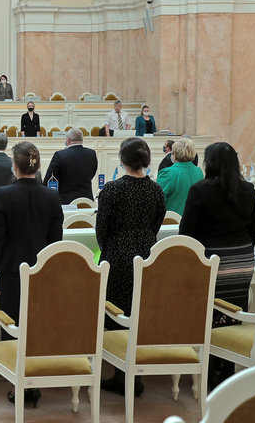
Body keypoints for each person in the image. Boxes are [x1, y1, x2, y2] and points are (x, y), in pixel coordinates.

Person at [0, 141, 62, 407]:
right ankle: (35, 382)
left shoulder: (4, 195)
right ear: (38, 166)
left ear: (14, 167)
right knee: (38, 326)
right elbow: (56, 241)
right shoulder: (52, 196)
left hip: (10, 270)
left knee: (12, 327)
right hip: (42, 271)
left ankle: (17, 383)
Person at [179, 142, 255, 389]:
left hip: (212, 262)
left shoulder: (200, 190)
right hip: (243, 260)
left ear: (208, 162)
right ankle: (228, 371)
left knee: (210, 316)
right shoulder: (247, 189)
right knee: (234, 312)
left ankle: (212, 370)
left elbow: (186, 232)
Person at [96, 137, 166, 396]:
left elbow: (101, 229)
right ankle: (134, 373)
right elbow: (157, 223)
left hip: (117, 255)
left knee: (116, 313)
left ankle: (121, 373)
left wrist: (111, 248)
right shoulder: (155, 189)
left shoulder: (112, 189)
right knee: (139, 310)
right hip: (147, 255)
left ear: (122, 159)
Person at [41, 128, 99, 204]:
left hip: (65, 202)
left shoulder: (60, 155)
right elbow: (92, 173)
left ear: (68, 140)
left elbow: (49, 179)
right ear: (81, 140)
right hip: (86, 201)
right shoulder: (92, 154)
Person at [155, 137, 203, 215]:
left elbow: (158, 202)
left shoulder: (166, 173)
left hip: (171, 221)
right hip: (193, 219)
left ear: (175, 154)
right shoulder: (199, 172)